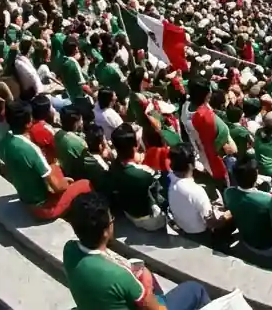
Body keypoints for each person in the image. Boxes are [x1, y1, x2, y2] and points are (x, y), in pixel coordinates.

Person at [63, 191, 212, 310]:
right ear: (105, 232)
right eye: (112, 220)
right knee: (195, 289)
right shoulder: (119, 276)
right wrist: (145, 282)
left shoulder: (69, 250)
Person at [0, 99, 93, 220]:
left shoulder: (5, 140)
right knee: (85, 184)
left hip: (25, 197)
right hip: (44, 208)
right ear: (28, 123)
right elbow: (58, 188)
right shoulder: (30, 149)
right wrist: (66, 183)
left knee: (54, 168)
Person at [166, 143, 234, 247]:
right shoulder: (196, 191)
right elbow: (212, 223)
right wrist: (228, 214)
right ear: (190, 165)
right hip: (201, 235)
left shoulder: (168, 179)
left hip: (183, 228)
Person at [107, 123, 166, 231]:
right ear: (135, 146)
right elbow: (161, 191)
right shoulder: (144, 174)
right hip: (149, 219)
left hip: (129, 212)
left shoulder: (113, 166)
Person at [222, 156, 272, 258]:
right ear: (256, 176)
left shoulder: (228, 193)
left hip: (246, 242)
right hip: (268, 247)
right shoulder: (268, 200)